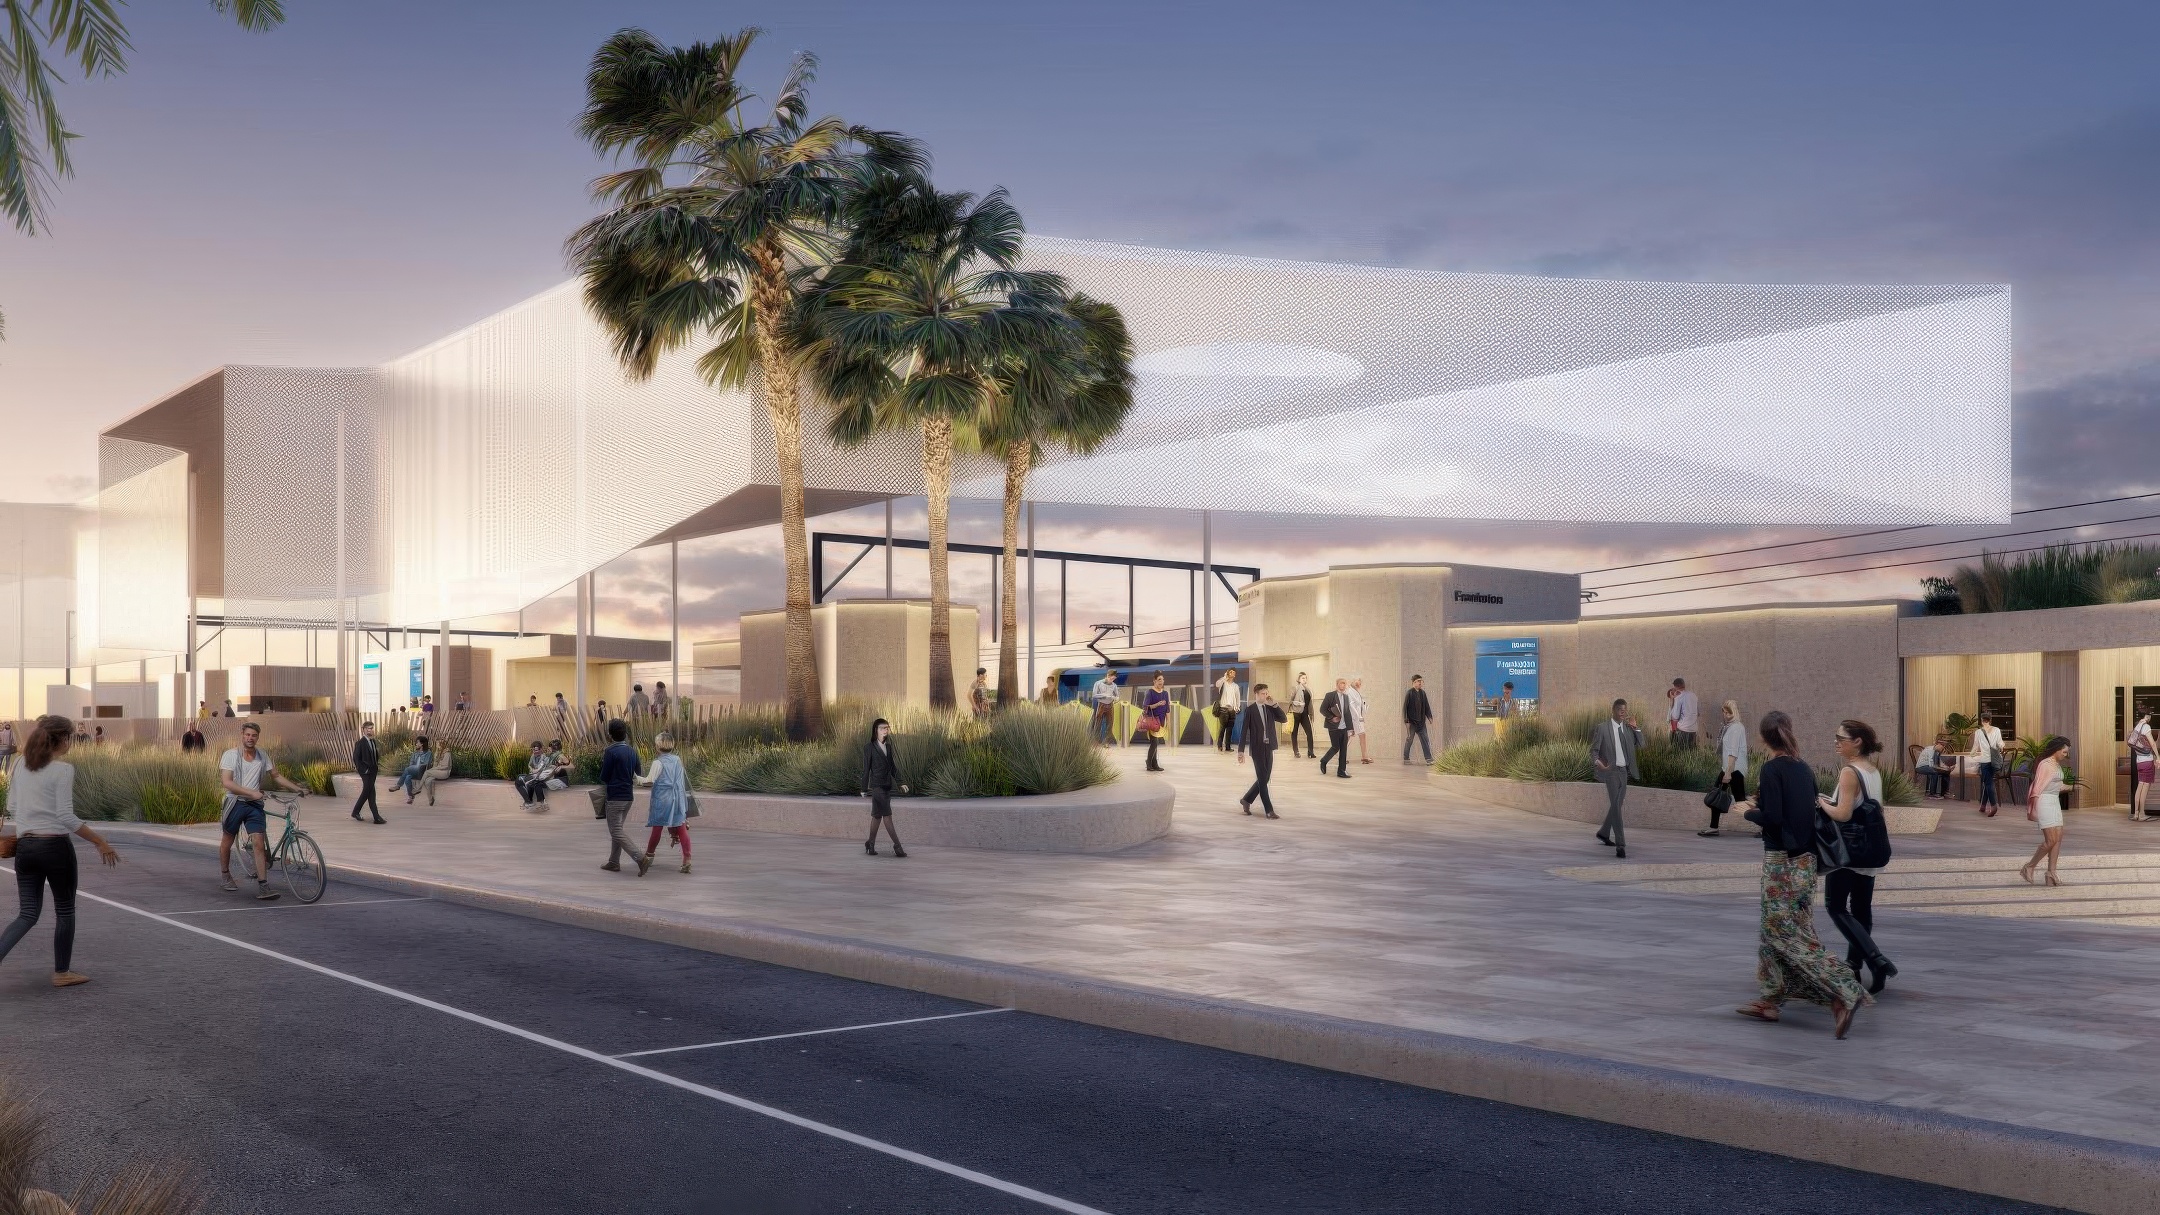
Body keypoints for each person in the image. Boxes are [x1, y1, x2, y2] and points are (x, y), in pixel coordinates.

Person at [1732, 710, 1870, 1038]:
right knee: (1774, 930)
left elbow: (1775, 818)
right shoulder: (1804, 769)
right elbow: (1803, 810)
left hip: (1782, 864)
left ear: (1764, 738)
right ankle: (1770, 999)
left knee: (1784, 934)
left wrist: (1748, 811)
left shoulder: (1771, 769)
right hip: (1807, 864)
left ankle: (1844, 990)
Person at [0, 716, 120, 988]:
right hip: (55, 847)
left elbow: (13, 806)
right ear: (63, 739)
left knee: (27, 914)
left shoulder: (19, 764)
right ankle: (62, 973)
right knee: (65, 911)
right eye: (70, 739)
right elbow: (66, 815)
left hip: (26, 848)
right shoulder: (63, 770)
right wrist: (99, 841)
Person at [1822, 719, 1897, 995]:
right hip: (1870, 850)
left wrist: (1821, 803)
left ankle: (1875, 960)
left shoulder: (1849, 771)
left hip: (1848, 851)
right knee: (1862, 909)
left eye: (1840, 738)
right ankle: (1853, 964)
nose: (1836, 742)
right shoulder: (1873, 771)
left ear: (1857, 742)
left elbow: (1842, 814)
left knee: (1835, 906)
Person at [218, 721, 305, 901]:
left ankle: (263, 886)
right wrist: (252, 793)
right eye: (248, 735)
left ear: (258, 737)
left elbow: (276, 776)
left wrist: (297, 788)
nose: (250, 738)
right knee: (228, 838)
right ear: (242, 735)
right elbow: (227, 783)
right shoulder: (231, 755)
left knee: (259, 842)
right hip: (235, 803)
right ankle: (225, 874)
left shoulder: (262, 755)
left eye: (254, 735)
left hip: (254, 806)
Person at [598, 718, 651, 875]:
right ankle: (614, 862)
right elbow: (639, 774)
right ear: (625, 733)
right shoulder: (632, 751)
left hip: (615, 796)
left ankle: (640, 858)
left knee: (615, 831)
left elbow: (604, 776)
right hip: (628, 795)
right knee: (618, 829)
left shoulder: (610, 751)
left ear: (610, 735)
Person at [1590, 698, 1641, 858]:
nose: (1623, 712)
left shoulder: (1627, 729)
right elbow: (1594, 751)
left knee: (1616, 806)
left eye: (1625, 710)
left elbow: (1642, 744)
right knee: (1617, 809)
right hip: (1610, 772)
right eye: (1620, 709)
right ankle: (1621, 845)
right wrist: (1599, 764)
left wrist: (1636, 728)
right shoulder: (1603, 728)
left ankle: (1604, 833)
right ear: (1613, 710)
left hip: (1624, 772)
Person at [637, 732, 692, 874]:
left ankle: (649, 856)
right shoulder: (677, 760)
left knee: (657, 828)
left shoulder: (657, 762)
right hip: (677, 797)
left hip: (662, 799)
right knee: (681, 827)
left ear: (657, 746)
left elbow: (649, 780)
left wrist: (636, 778)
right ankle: (687, 859)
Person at [2021, 736, 2071, 887]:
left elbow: (2059, 785)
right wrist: (2033, 808)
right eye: (2064, 751)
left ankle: (2051, 873)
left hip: (2054, 801)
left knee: (2058, 838)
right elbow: (2037, 788)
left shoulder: (2056, 765)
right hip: (2043, 802)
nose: (2065, 754)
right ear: (2056, 750)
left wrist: (2072, 787)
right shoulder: (2045, 764)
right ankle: (2029, 866)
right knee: (2050, 840)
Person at [1235, 683, 1287, 819]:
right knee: (1263, 779)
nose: (1265, 696)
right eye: (1263, 693)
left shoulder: (1270, 708)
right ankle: (1269, 810)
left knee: (1265, 778)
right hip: (1257, 748)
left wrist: (1275, 705)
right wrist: (1240, 751)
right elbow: (1244, 730)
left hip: (1269, 747)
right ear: (1256, 694)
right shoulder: (1250, 710)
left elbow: (1283, 719)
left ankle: (1246, 799)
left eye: (1266, 693)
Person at [861, 718, 908, 857]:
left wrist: (900, 782)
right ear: (876, 730)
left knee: (877, 816)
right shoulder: (869, 748)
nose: (886, 730)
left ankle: (870, 844)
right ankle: (897, 846)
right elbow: (866, 770)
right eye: (882, 728)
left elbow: (892, 767)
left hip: (887, 786)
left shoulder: (888, 747)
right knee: (887, 815)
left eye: (887, 728)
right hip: (877, 787)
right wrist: (864, 789)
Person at [1702, 700, 1746, 837]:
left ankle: (1766, 826)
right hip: (1729, 767)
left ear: (1734, 712)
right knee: (1718, 796)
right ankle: (1713, 827)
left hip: (1733, 769)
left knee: (1741, 801)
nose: (1726, 715)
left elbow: (1733, 752)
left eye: (1729, 713)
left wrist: (1728, 773)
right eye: (1724, 712)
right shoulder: (1730, 727)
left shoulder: (1736, 728)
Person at [1969, 710, 2005, 817]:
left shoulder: (1978, 732)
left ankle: (1993, 805)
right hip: (1994, 761)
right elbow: (2000, 743)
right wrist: (2002, 747)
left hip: (1985, 761)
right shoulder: (1997, 730)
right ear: (1990, 720)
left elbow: (1975, 747)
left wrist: (1971, 755)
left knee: (1988, 783)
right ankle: (1983, 806)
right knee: (1987, 782)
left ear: (1981, 720)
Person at [350, 720, 385, 824]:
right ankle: (375, 817)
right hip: (366, 772)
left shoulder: (373, 741)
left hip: (373, 771)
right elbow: (356, 758)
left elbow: (374, 756)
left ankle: (373, 816)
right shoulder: (360, 743)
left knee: (370, 793)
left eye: (371, 728)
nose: (370, 731)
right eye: (368, 729)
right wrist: (364, 770)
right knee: (368, 792)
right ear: (363, 730)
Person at [1319, 677, 1353, 778]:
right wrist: (1332, 717)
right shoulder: (1330, 695)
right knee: (1336, 747)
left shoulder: (1346, 697)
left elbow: (1347, 713)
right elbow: (1322, 709)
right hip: (1333, 726)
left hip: (1344, 727)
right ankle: (1324, 760)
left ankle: (1342, 771)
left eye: (1344, 684)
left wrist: (1350, 728)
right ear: (1337, 684)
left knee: (1344, 749)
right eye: (1341, 683)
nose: (1343, 685)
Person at [1141, 674, 1172, 773]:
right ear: (1154, 681)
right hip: (1152, 721)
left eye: (1162, 679)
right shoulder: (1150, 692)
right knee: (1154, 742)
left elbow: (1168, 710)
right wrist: (1157, 704)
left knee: (1155, 743)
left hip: (1161, 721)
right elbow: (1145, 706)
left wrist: (1169, 722)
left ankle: (1154, 764)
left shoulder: (1165, 693)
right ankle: (1149, 763)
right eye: (1159, 680)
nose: (1161, 682)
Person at [1401, 674, 1434, 764]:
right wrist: (1406, 720)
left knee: (1425, 739)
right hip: (1411, 722)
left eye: (1421, 681)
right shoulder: (1409, 693)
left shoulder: (1423, 693)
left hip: (1421, 723)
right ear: (1414, 682)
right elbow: (1405, 708)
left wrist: (1429, 716)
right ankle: (1406, 759)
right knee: (1409, 739)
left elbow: (1427, 706)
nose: (1421, 683)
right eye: (1419, 681)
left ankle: (1429, 759)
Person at [2130, 712, 2155, 822]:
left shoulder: (2138, 726)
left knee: (2140, 786)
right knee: (2145, 787)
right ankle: (2142, 814)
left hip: (2139, 761)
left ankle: (2136, 813)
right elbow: (2153, 744)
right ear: (2148, 717)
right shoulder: (2146, 726)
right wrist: (2158, 756)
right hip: (2147, 761)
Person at [514, 741, 551, 807]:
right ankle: (528, 801)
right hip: (534, 775)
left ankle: (528, 801)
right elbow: (529, 765)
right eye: (533, 750)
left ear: (541, 749)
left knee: (519, 781)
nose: (534, 752)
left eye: (536, 750)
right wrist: (532, 769)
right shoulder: (533, 756)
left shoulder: (544, 758)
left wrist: (534, 771)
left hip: (539, 777)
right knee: (519, 778)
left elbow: (540, 769)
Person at [1286, 673, 1315, 759]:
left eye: (1305, 678)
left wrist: (1311, 713)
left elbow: (1310, 703)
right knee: (1294, 733)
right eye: (1302, 678)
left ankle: (1310, 752)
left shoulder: (1308, 690)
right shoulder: (1295, 688)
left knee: (1309, 732)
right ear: (1298, 679)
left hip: (1305, 714)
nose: (1304, 679)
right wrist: (1297, 703)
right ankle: (1296, 752)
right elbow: (1290, 700)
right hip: (1296, 713)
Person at [1214, 670, 1242, 752]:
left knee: (1230, 729)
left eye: (1234, 673)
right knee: (1222, 728)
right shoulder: (1223, 684)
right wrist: (1224, 677)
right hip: (1223, 709)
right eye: (1231, 672)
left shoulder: (1235, 686)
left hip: (1232, 709)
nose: (1232, 674)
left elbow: (1238, 697)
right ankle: (1219, 746)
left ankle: (1228, 747)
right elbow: (1217, 684)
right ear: (1227, 673)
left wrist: (1237, 707)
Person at [1091, 671, 1120, 746]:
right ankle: (1096, 741)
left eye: (1114, 679)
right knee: (1098, 723)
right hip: (1101, 705)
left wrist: (1115, 698)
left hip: (1110, 705)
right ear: (1108, 676)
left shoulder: (1114, 685)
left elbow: (1118, 697)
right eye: (1111, 678)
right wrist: (1104, 695)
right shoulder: (1098, 683)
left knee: (1109, 724)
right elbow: (1094, 695)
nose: (1112, 680)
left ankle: (1106, 742)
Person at [1669, 678, 1699, 749]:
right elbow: (1698, 712)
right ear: (1684, 685)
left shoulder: (1679, 697)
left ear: (1676, 686)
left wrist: (1673, 699)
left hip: (1683, 729)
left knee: (1682, 754)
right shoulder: (1694, 695)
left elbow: (1675, 716)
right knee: (1691, 754)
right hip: (1693, 729)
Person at [1348, 677, 1371, 764]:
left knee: (1362, 735)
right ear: (1352, 682)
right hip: (1353, 719)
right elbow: (1351, 706)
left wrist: (1364, 704)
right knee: (1349, 737)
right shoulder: (1350, 692)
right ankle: (1342, 756)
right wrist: (1358, 717)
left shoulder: (1357, 693)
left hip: (1358, 719)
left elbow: (1361, 707)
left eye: (1360, 683)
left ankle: (1364, 757)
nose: (1358, 684)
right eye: (1356, 682)